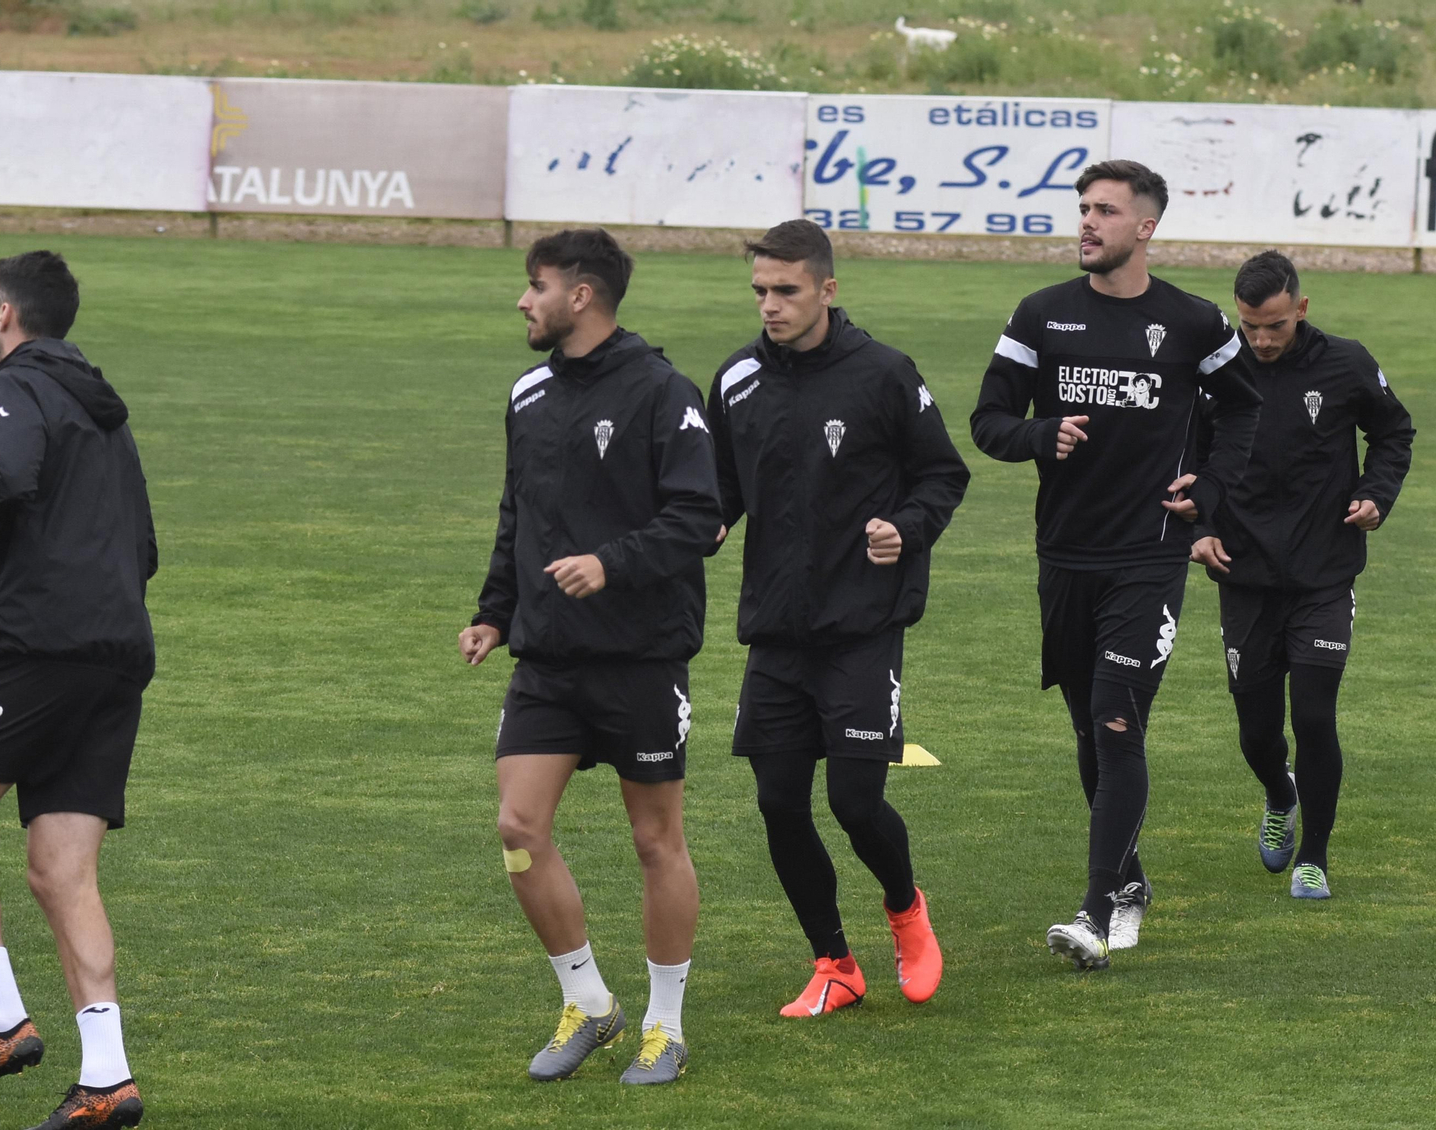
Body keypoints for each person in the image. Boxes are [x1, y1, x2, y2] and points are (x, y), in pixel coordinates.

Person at [969, 160, 1262, 970]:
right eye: (1083, 208)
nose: (1088, 223)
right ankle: (1128, 883)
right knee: (1087, 736)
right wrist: (1038, 434)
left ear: (1146, 227)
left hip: (1149, 557)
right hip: (1064, 556)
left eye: (1105, 211)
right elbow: (988, 419)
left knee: (1117, 723)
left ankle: (1096, 912)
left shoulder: (1195, 322)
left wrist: (1209, 487)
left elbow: (1244, 410)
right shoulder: (1041, 315)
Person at [459, 228, 721, 1085]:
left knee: (655, 841)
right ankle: (589, 1002)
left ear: (581, 295)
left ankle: (667, 1025)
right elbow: (517, 514)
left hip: (641, 657)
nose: (522, 301)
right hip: (548, 659)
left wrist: (611, 563)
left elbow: (696, 520)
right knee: (517, 827)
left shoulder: (661, 392)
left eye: (535, 286)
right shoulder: (528, 392)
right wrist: (494, 612)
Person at [0, 251, 156, 1130]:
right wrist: (18, 562)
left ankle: (2, 1022)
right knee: (62, 871)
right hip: (116, 654)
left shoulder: (14, 384)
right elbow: (140, 550)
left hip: (38, 654)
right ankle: (107, 1079)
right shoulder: (102, 410)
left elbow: (2, 479)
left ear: (8, 314)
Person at [706, 219, 969, 1015]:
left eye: (786, 291)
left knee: (854, 802)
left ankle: (906, 911)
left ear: (827, 289)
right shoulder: (736, 379)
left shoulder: (885, 374)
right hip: (776, 630)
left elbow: (941, 474)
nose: (770, 306)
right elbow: (717, 488)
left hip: (862, 623)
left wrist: (907, 527)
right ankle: (834, 963)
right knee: (779, 802)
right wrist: (704, 522)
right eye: (759, 291)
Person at [1191, 250, 1414, 899]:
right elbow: (1191, 456)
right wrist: (1200, 529)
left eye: (1276, 326)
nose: (1261, 340)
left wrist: (1377, 494)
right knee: (1257, 731)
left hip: (1323, 574)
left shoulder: (1345, 363)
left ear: (1302, 308)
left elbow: (1394, 431)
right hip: (1245, 574)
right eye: (1250, 326)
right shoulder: (1217, 371)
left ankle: (1313, 855)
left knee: (1314, 717)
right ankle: (1279, 794)